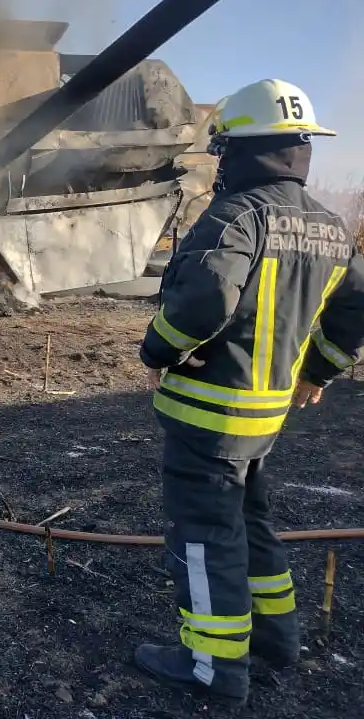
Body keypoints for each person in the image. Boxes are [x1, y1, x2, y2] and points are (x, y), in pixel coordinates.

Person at [134, 79, 364, 706]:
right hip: (265, 417)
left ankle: (211, 664)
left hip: (207, 410)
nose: (220, 161)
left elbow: (205, 298)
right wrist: (318, 370)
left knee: (203, 534)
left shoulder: (238, 215)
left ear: (242, 148)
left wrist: (156, 350)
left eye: (224, 148)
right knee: (249, 520)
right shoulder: (329, 226)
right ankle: (276, 637)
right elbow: (355, 309)